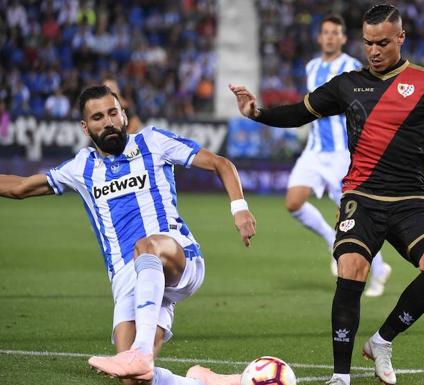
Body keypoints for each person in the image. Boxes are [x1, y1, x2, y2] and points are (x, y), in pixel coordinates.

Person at [228, 5, 424, 385]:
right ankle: (340, 376)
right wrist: (257, 113)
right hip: (362, 196)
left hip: (412, 200)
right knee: (352, 268)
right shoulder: (347, 84)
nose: (374, 50)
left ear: (400, 38)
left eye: (382, 42)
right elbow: (299, 113)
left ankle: (382, 340)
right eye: (368, 43)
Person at [0, 85, 256, 385]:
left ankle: (141, 350)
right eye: (97, 117)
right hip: (128, 278)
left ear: (123, 115)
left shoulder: (153, 141)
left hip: (177, 257)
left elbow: (220, 163)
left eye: (113, 112)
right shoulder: (81, 167)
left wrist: (239, 208)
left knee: (146, 246)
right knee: (135, 380)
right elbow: (19, 187)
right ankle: (207, 382)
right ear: (85, 127)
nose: (107, 121)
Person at [285, 14, 391, 296]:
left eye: (335, 33)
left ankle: (379, 270)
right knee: (293, 202)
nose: (330, 37)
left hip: (341, 155)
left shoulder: (352, 67)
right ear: (320, 38)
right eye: (326, 32)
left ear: (343, 38)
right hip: (314, 150)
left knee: (353, 219)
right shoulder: (311, 67)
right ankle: (331, 240)